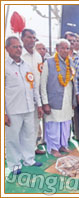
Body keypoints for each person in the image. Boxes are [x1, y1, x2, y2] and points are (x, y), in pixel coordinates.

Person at [5, 36, 43, 175]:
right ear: (7, 48)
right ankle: (14, 164)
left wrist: (39, 105)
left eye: (20, 47)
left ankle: (29, 159)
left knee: (29, 135)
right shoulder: (4, 66)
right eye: (15, 47)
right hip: (12, 110)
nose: (18, 49)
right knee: (12, 138)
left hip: (29, 108)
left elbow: (33, 87)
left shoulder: (27, 66)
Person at [40, 39, 77, 157]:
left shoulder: (70, 62)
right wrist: (45, 102)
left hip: (67, 99)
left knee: (65, 124)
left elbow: (74, 82)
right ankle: (53, 148)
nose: (66, 51)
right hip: (53, 100)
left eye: (67, 48)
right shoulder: (49, 62)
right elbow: (43, 84)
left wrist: (73, 100)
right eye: (63, 48)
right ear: (57, 49)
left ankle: (63, 145)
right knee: (53, 125)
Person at [21, 29, 45, 155]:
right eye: (29, 37)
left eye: (33, 38)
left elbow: (38, 78)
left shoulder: (37, 56)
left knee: (35, 123)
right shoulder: (17, 54)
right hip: (20, 97)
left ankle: (32, 147)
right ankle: (17, 151)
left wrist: (40, 101)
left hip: (36, 95)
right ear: (22, 38)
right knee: (20, 125)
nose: (31, 40)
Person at [64, 31, 79, 141]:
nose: (72, 43)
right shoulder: (58, 57)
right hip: (64, 89)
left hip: (76, 89)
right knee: (65, 115)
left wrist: (77, 93)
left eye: (74, 41)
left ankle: (78, 136)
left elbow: (78, 76)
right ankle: (65, 137)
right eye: (69, 40)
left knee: (77, 114)